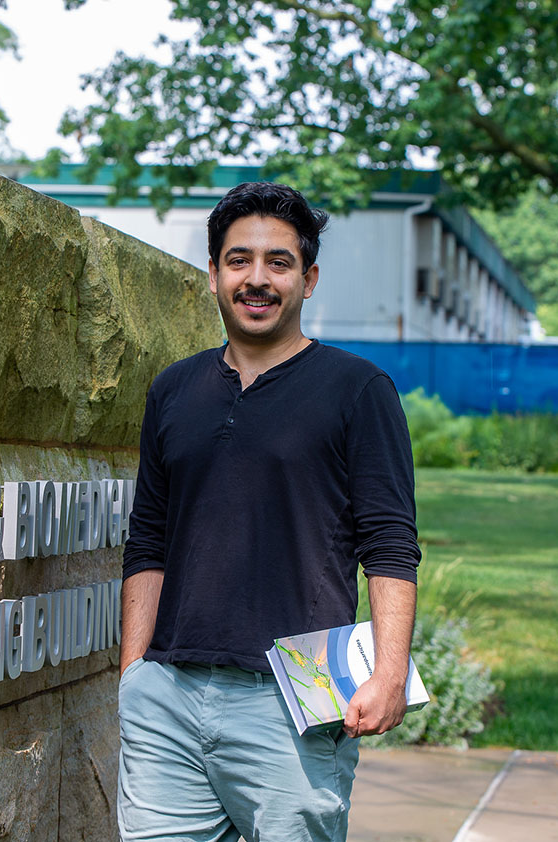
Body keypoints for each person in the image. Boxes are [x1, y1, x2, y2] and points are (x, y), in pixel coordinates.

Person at [118, 181, 420, 842]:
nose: (257, 279)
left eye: (278, 263)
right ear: (213, 275)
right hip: (167, 693)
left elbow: (390, 544)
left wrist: (390, 670)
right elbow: (148, 540)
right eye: (238, 260)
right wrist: (133, 676)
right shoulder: (173, 390)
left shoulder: (358, 390)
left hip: (296, 698)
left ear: (308, 280)